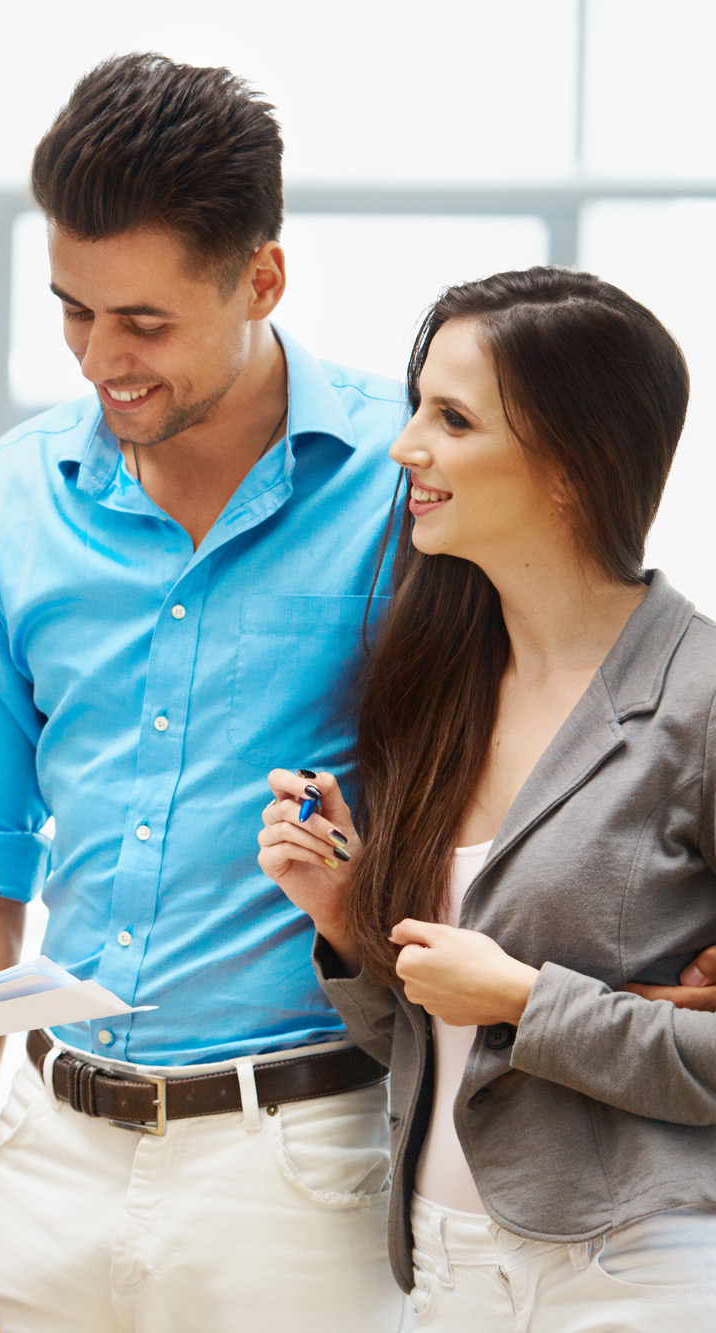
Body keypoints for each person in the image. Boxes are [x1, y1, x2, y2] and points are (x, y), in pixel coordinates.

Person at [0, 54, 414, 1333]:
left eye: (144, 323)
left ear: (261, 279)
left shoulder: (406, 484)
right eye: (74, 312)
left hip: (305, 1160)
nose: (99, 361)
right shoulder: (2, 508)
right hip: (44, 1158)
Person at [260, 267, 716, 1329]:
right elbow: (430, 1038)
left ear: (569, 465)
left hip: (634, 1269)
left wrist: (523, 999)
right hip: (440, 1263)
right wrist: (339, 920)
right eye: (416, 405)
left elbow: (502, 1011)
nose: (402, 446)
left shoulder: (696, 700)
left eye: (450, 418)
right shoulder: (440, 693)